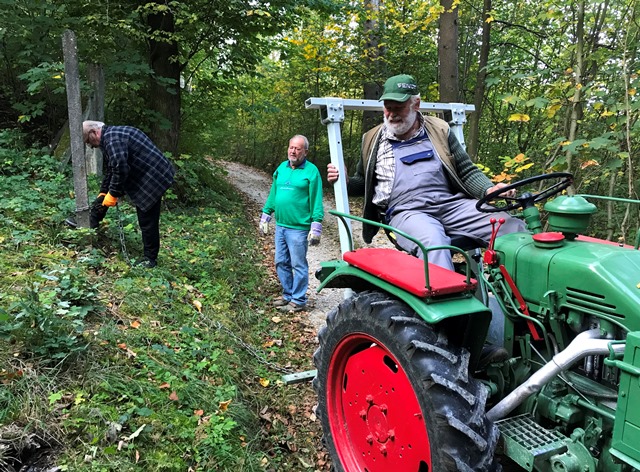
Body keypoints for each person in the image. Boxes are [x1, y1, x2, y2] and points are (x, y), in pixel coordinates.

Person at [327, 74, 526, 270]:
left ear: (416, 104)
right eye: (388, 108)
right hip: (406, 212)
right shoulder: (372, 139)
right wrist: (344, 181)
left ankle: (521, 297)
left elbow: (466, 171)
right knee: (434, 244)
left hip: (451, 205)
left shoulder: (439, 130)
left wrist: (489, 190)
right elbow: (364, 183)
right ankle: (445, 300)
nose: (392, 114)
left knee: (509, 226)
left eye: (399, 108)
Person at [82, 120, 175, 268]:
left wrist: (112, 193)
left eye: (88, 141)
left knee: (146, 217)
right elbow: (112, 170)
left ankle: (150, 259)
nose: (91, 146)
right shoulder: (110, 137)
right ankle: (91, 222)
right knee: (109, 197)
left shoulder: (112, 139)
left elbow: (121, 169)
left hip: (154, 175)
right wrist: (103, 193)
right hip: (145, 172)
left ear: (94, 132)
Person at [260, 135, 324, 313]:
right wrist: (266, 214)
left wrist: (316, 224)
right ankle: (288, 294)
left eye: (297, 148)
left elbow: (317, 199)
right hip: (280, 225)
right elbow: (274, 193)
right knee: (281, 261)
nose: (293, 151)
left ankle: (298, 299)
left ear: (305, 151)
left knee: (298, 264)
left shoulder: (312, 171)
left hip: (299, 228)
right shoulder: (281, 167)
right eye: (291, 147)